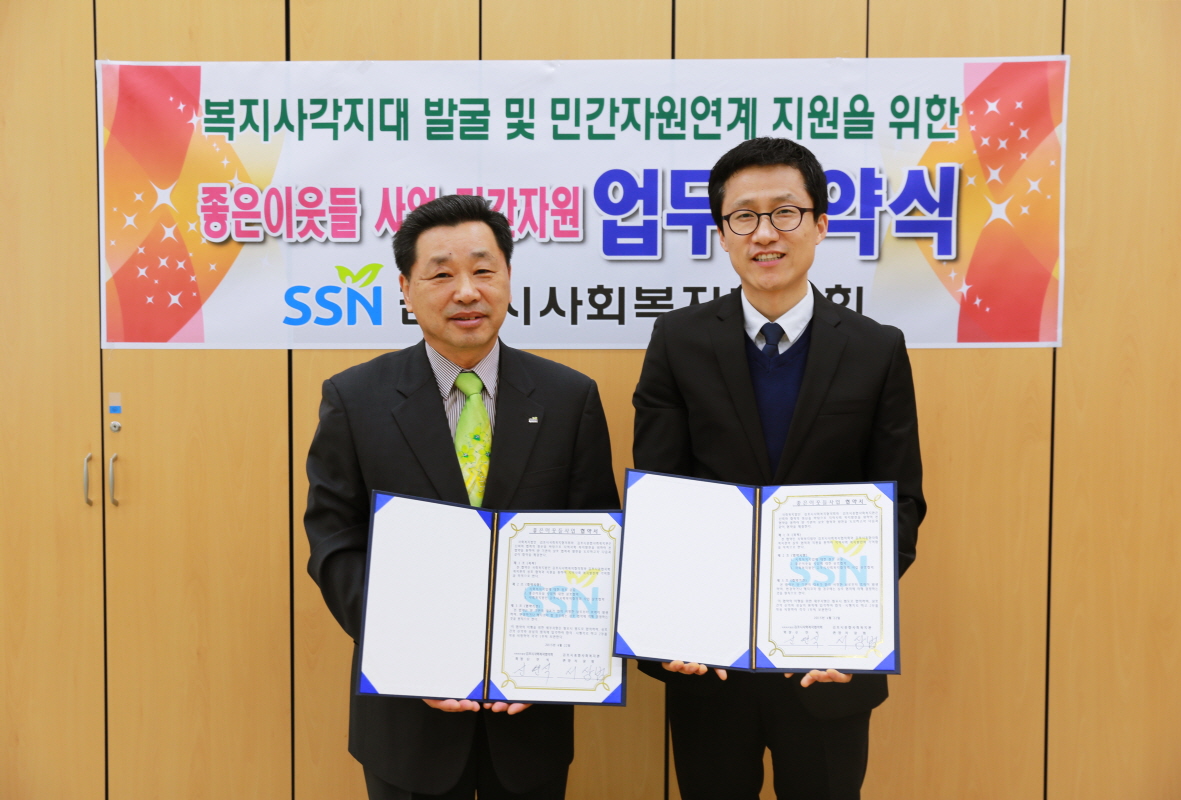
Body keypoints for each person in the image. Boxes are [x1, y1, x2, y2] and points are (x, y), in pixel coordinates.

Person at [632, 138, 925, 800]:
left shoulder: (876, 349)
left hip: (829, 665)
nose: (765, 233)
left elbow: (901, 503)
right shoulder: (678, 342)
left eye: (785, 212)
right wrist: (674, 621)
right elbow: (662, 501)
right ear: (722, 234)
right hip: (708, 662)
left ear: (820, 224)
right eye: (744, 216)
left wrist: (854, 626)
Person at [305, 194, 620, 800]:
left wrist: (554, 659)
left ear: (508, 277)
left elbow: (596, 541)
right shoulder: (356, 398)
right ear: (405, 287)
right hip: (407, 717)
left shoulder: (568, 398)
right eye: (442, 274)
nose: (467, 292)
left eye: (483, 270)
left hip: (530, 711)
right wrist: (405, 650)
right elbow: (335, 543)